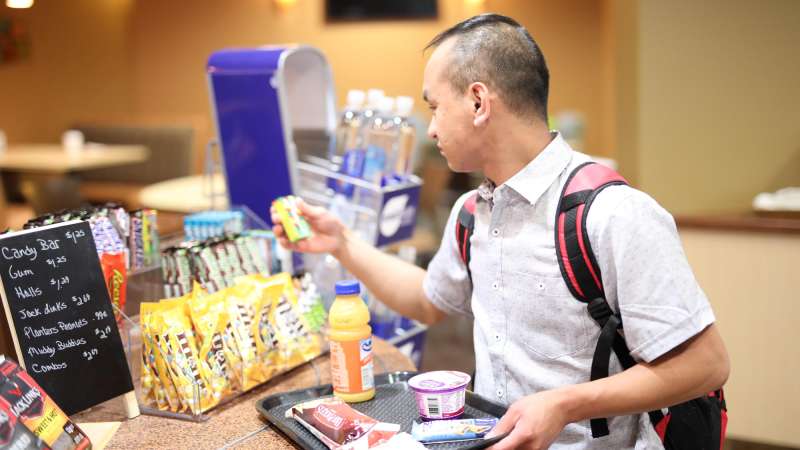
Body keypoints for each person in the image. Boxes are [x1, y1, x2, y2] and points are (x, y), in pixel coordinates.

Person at [271, 13, 729, 450]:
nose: (429, 130)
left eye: (434, 108)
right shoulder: (472, 211)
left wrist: (564, 404)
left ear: (478, 102)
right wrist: (342, 243)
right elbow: (428, 301)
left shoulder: (613, 213)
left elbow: (705, 364)